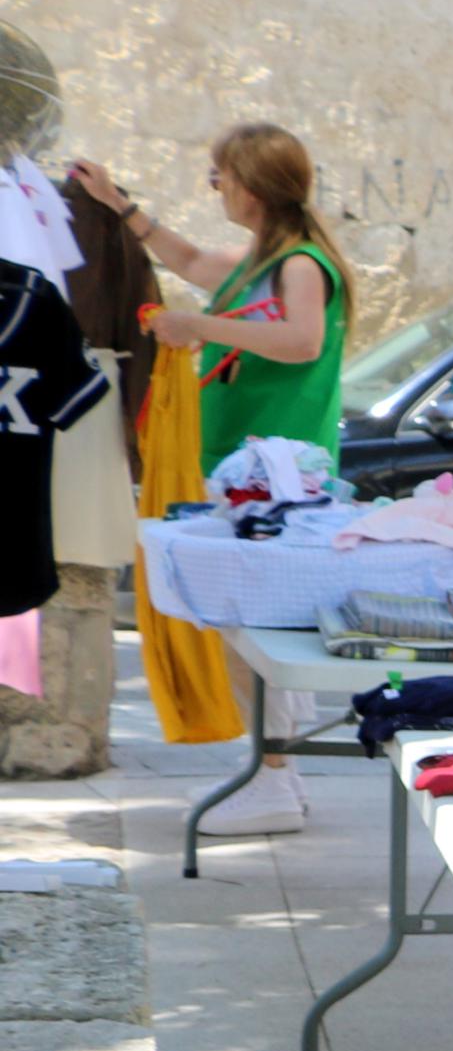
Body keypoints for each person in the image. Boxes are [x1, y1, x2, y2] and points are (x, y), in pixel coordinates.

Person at [71, 123, 353, 830]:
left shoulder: (300, 265)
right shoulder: (260, 260)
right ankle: (272, 771)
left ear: (251, 186)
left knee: (251, 623)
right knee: (247, 624)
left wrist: (200, 327)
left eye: (219, 175)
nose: (215, 186)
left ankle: (274, 774)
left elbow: (301, 342)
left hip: (281, 471)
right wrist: (118, 205)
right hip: (248, 465)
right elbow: (191, 257)